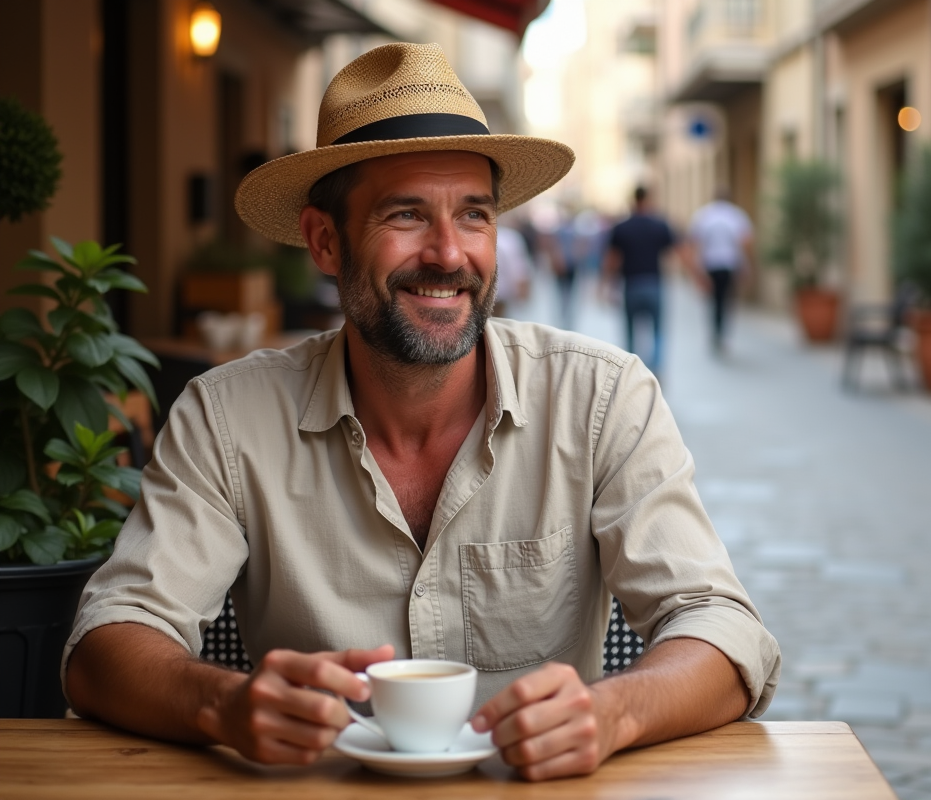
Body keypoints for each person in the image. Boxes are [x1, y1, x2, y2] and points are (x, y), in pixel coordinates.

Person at [62, 43, 779, 782]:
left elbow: (722, 628)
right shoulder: (227, 416)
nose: (448, 254)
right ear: (325, 241)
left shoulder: (600, 398)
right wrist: (224, 705)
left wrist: (614, 714)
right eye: (405, 214)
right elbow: (107, 642)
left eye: (474, 215)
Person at [602, 187, 678, 374]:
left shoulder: (622, 227)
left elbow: (612, 259)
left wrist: (606, 285)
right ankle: (656, 367)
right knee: (657, 328)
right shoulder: (659, 225)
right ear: (649, 199)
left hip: (631, 284)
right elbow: (676, 252)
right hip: (653, 283)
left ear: (634, 200)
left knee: (630, 329)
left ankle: (631, 370)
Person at [688, 188, 755, 354]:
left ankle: (715, 332)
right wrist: (746, 265)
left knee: (714, 300)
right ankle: (722, 334)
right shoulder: (737, 215)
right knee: (726, 300)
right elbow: (745, 242)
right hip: (729, 264)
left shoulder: (704, 215)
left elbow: (696, 243)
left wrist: (697, 269)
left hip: (710, 264)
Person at [492, 222, 532, 318]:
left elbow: (519, 270)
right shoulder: (509, 238)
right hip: (501, 295)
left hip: (498, 294)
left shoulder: (508, 238)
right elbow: (519, 271)